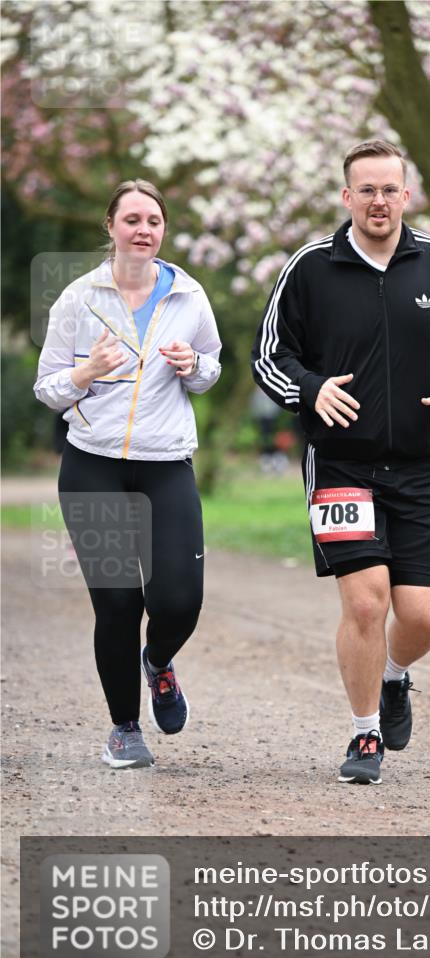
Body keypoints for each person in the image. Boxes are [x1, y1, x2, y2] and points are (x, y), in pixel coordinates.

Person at [251, 139, 430, 785]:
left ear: (406, 194)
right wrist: (308, 391)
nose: (378, 200)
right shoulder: (309, 268)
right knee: (365, 605)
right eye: (366, 189)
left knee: (422, 614)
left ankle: (394, 676)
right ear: (346, 197)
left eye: (389, 188)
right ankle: (365, 736)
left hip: (421, 467)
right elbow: (269, 356)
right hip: (341, 464)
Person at [34, 179, 222, 769]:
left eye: (154, 221)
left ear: (163, 231)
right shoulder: (77, 299)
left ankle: (158, 662)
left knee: (179, 600)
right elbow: (48, 389)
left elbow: (210, 368)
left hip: (166, 466)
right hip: (93, 466)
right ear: (111, 228)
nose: (144, 230)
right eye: (132, 220)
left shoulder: (189, 296)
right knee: (116, 603)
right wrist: (86, 371)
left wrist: (195, 365)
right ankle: (124, 728)